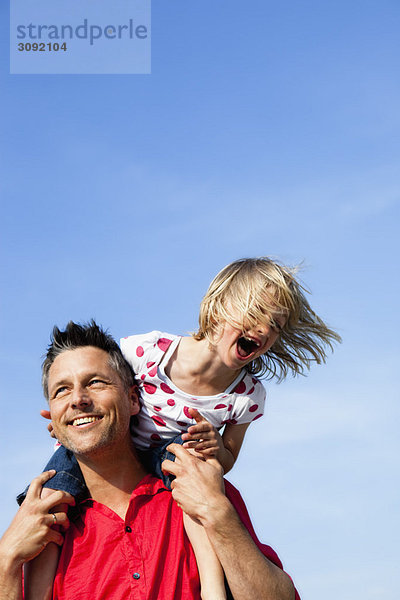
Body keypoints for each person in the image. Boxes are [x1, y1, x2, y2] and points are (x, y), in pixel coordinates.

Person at [23, 257, 340, 598]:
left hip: (172, 456)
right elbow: (100, 389)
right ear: (218, 308)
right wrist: (71, 424)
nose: (263, 329)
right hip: (117, 448)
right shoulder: (148, 352)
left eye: (275, 325)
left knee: (198, 493)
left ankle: (212, 588)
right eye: (255, 314)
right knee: (45, 508)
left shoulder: (246, 396)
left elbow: (227, 457)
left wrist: (216, 450)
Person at [0, 321, 299, 600]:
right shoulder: (43, 526)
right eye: (62, 390)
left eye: (95, 382)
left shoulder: (197, 489)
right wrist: (6, 559)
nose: (78, 399)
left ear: (133, 400)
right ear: (52, 414)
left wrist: (219, 516)